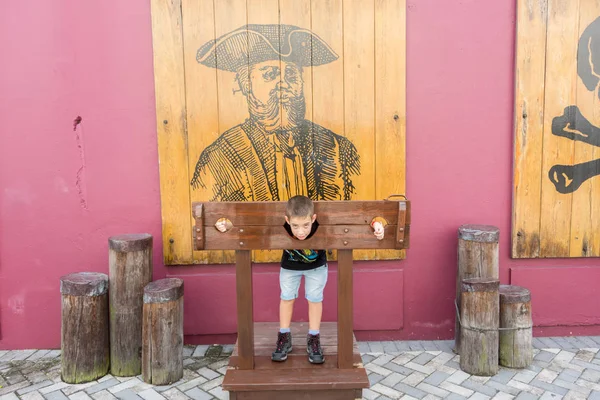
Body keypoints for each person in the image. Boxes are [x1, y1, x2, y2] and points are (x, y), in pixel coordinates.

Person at [191, 24, 360, 202]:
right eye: (270, 74)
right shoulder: (220, 156)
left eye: (291, 74)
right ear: (246, 84)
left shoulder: (339, 149)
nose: (283, 83)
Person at [215, 195, 385, 363]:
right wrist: (228, 223)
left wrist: (376, 223)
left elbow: (355, 220)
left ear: (314, 218)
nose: (301, 231)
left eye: (306, 225)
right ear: (287, 220)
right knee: (287, 298)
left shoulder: (319, 223)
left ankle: (313, 337)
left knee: (315, 299)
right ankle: (284, 335)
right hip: (290, 267)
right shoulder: (283, 224)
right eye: (295, 226)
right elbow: (250, 223)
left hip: (317, 267)